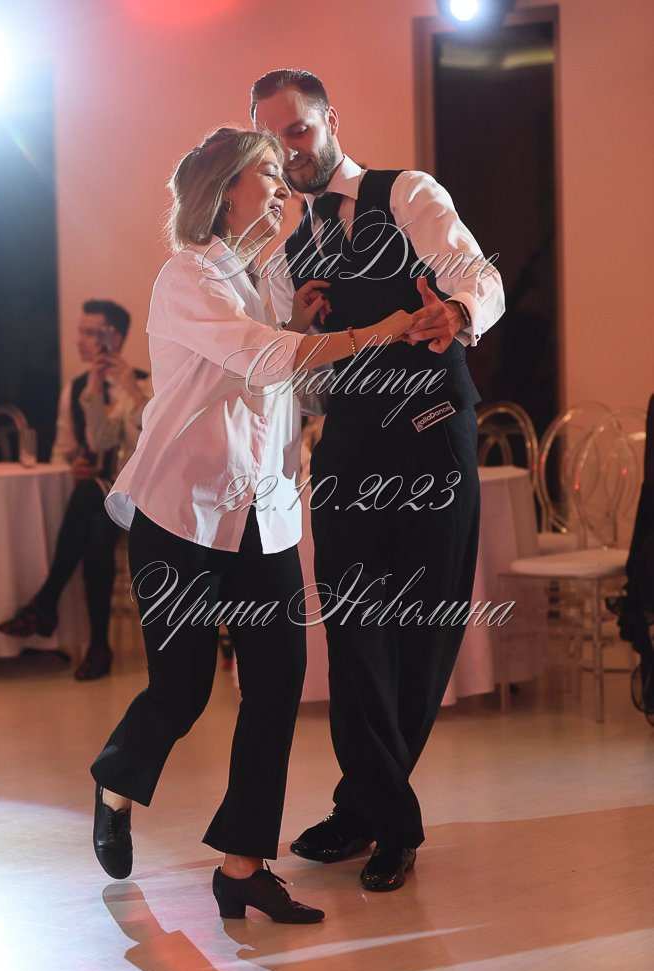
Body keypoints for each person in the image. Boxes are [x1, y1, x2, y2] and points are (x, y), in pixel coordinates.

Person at [88, 126, 415, 924]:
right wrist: (375, 330)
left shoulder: (264, 277)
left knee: (275, 685)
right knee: (183, 689)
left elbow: (284, 387)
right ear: (224, 187)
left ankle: (243, 865)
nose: (281, 185)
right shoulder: (188, 275)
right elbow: (262, 359)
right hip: (183, 512)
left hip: (264, 516)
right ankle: (116, 778)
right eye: (266, 172)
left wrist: (304, 332)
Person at [252, 69, 506, 891]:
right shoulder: (285, 253)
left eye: (298, 130)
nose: (290, 151)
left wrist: (456, 313)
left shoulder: (406, 194)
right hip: (350, 448)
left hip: (432, 436)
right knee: (353, 631)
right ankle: (386, 819)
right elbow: (293, 377)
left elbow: (481, 277)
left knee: (421, 632)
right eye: (273, 139)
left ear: (329, 120)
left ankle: (363, 808)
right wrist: (296, 335)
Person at [0, 300, 151, 680]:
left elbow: (150, 445)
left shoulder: (146, 382)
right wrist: (94, 392)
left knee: (89, 499)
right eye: (81, 331)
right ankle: (98, 646)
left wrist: (131, 389)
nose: (81, 340)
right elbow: (94, 445)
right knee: (95, 523)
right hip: (100, 502)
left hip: (142, 500)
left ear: (116, 337)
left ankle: (45, 603)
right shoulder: (79, 390)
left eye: (91, 332)